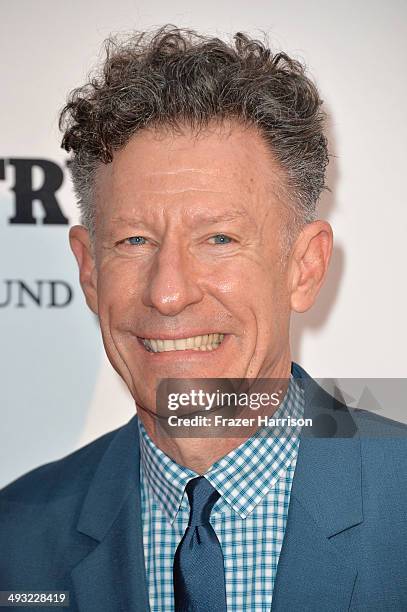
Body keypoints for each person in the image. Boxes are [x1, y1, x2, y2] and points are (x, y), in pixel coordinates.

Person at [1, 25, 406, 612]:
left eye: (218, 238)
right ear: (89, 271)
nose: (168, 294)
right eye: (135, 240)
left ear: (304, 267)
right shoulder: (16, 542)